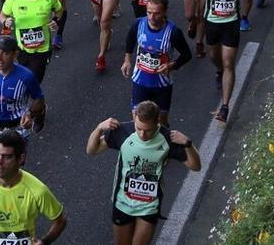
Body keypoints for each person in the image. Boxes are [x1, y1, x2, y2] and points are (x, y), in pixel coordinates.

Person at [85, 102, 201, 245]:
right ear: (134, 117)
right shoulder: (123, 131)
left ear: (158, 121)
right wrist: (99, 128)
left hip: (149, 206)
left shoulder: (167, 138)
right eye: (139, 128)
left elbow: (195, 166)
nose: (142, 134)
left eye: (148, 130)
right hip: (123, 203)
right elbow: (91, 150)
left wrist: (188, 143)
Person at [0, 130, 66, 245]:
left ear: (20, 158)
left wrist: (44, 242)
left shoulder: (37, 191)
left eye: (7, 157)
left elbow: (60, 220)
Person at [122, 0, 192, 128]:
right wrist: (127, 59)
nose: (151, 17)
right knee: (138, 123)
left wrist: (172, 65)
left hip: (161, 85)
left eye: (156, 13)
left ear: (165, 12)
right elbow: (130, 39)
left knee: (161, 124)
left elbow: (187, 55)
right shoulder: (138, 24)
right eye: (149, 12)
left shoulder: (173, 32)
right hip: (140, 82)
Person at [0, 36, 46, 144]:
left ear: (15, 54)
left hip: (18, 126)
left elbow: (39, 99)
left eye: (5, 53)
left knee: (16, 159)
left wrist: (30, 114)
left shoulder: (26, 76)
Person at [0, 0, 61, 84]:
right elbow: (2, 15)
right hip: (21, 50)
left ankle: (36, 100)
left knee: (32, 82)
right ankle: (40, 102)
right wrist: (5, 22)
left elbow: (59, 10)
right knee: (26, 83)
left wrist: (55, 21)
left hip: (42, 50)